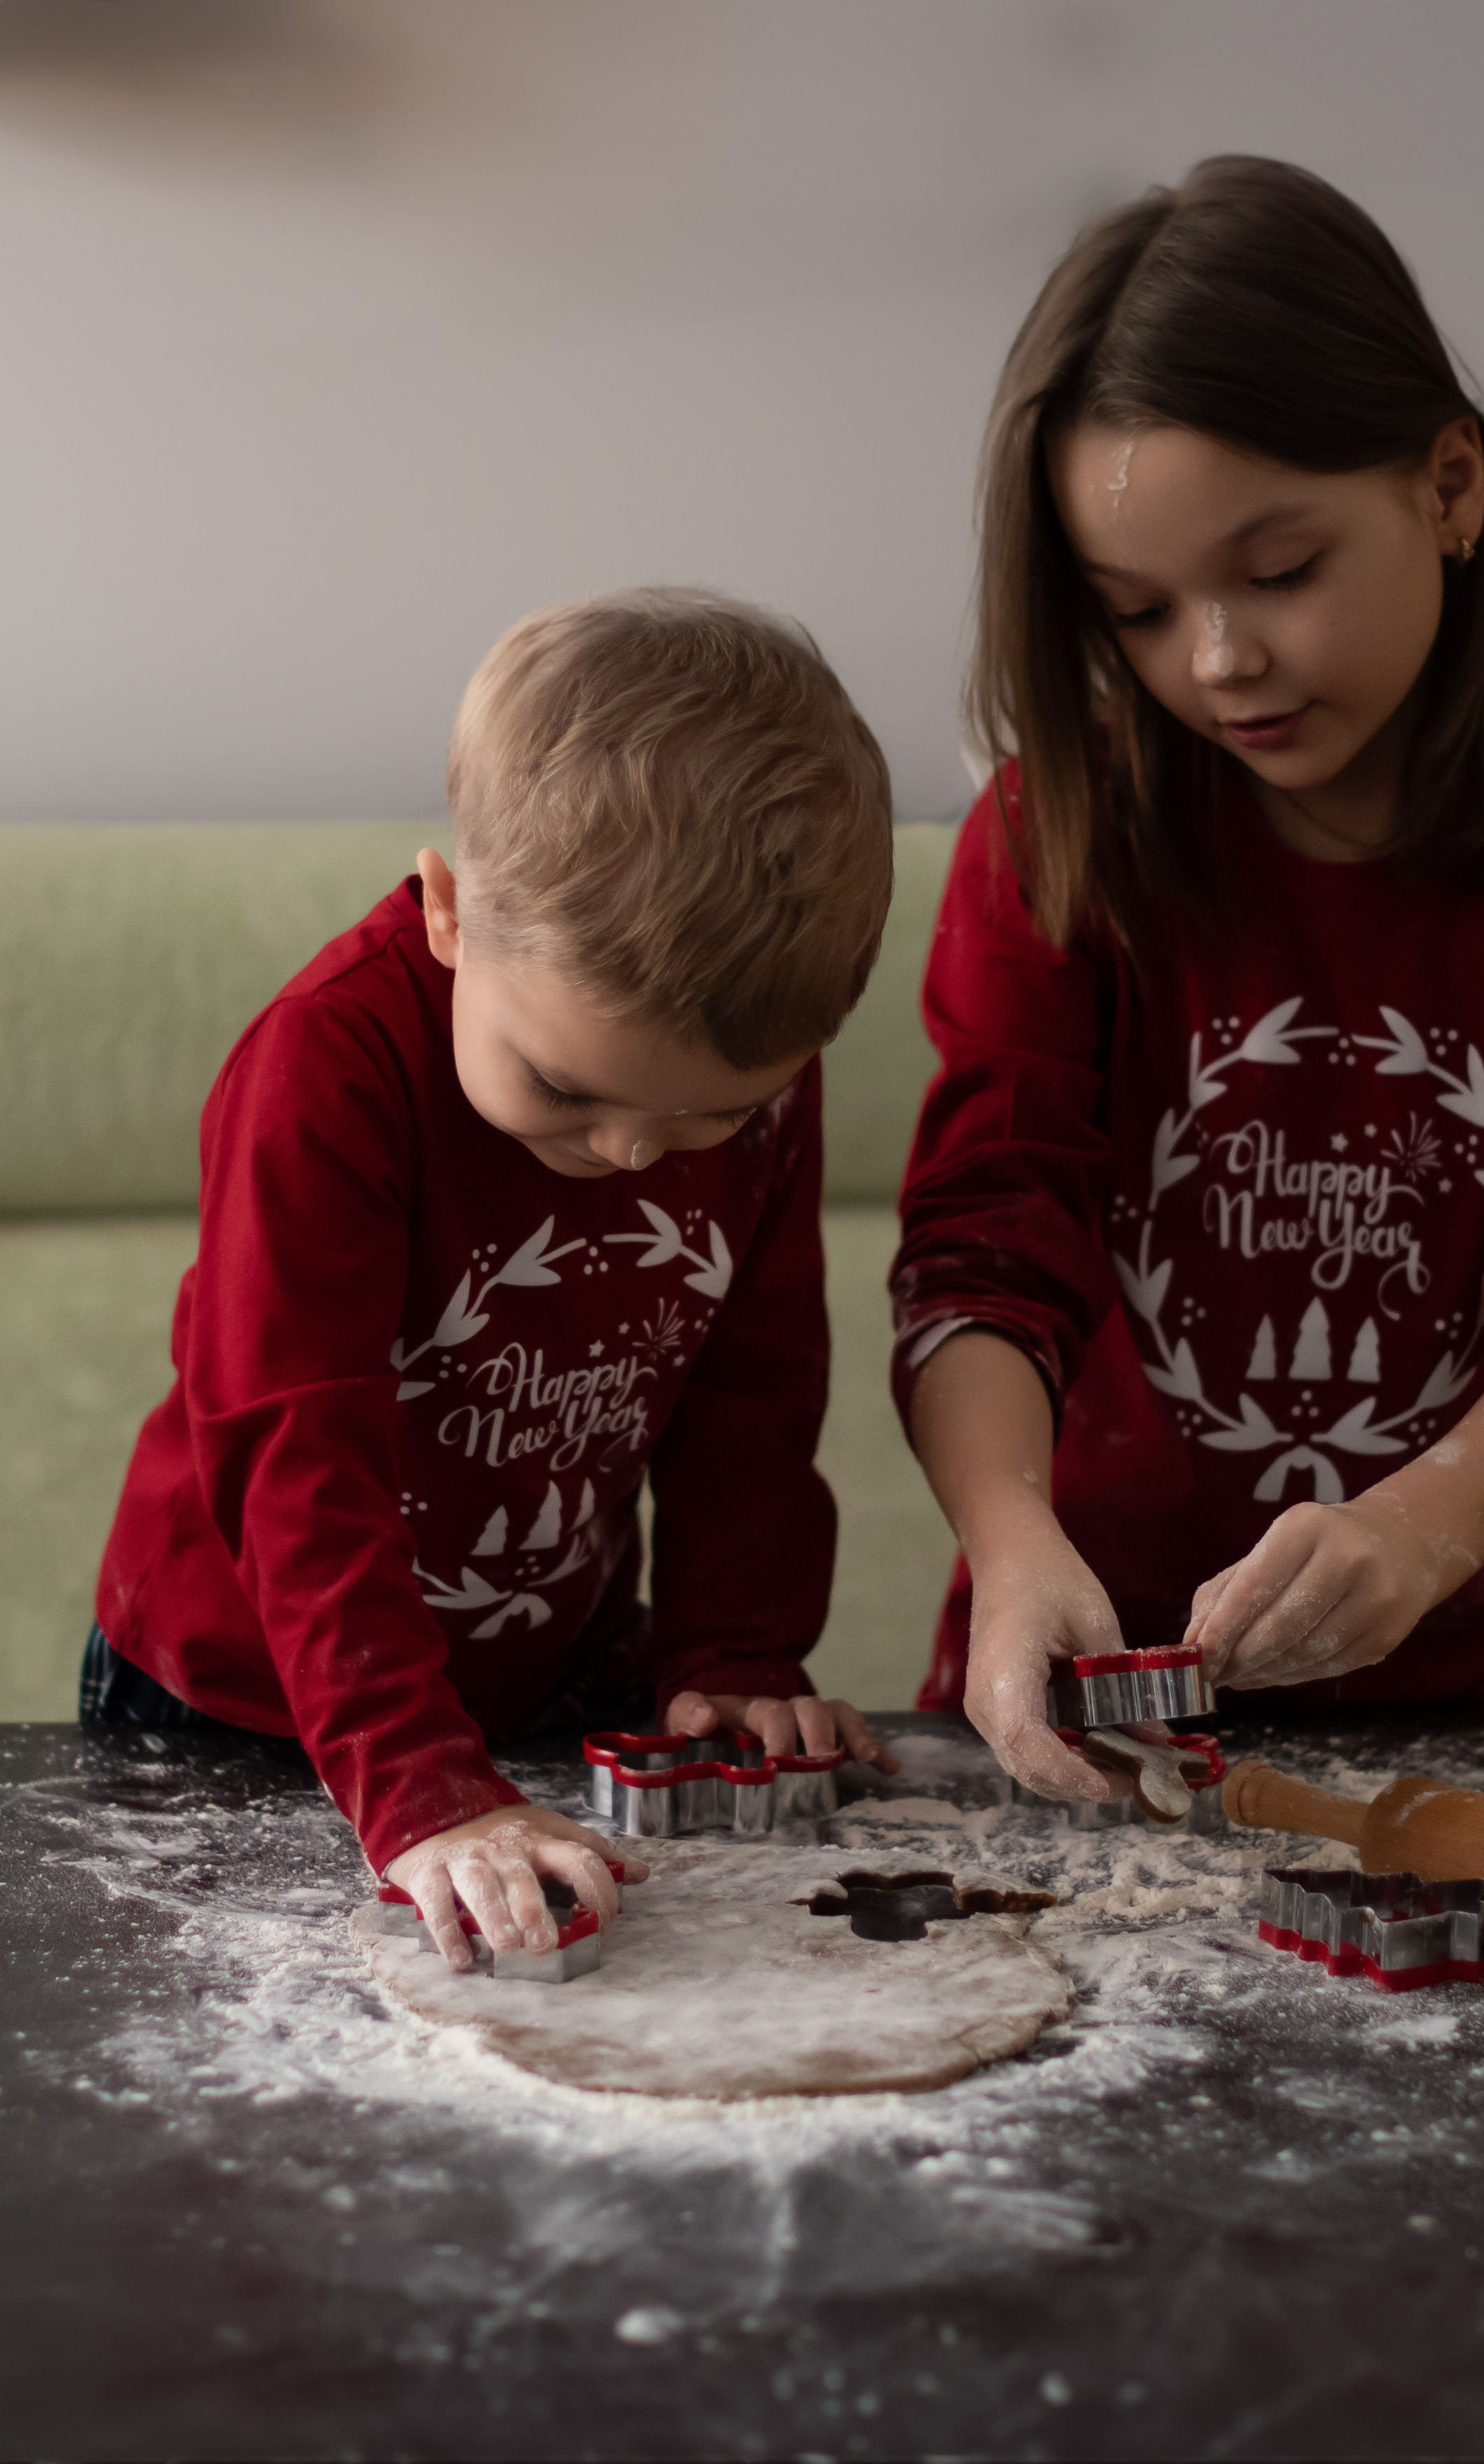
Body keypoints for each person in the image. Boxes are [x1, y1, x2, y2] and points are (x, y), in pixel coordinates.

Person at [892, 157, 1484, 1805]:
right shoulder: (1056, 832)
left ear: (1446, 487)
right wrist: (1008, 1541)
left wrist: (1419, 1530)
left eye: (1277, 572)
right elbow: (987, 1241)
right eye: (1136, 611)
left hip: (1460, 1726)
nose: (1217, 659)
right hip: (1067, 1716)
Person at [90, 590, 899, 1965]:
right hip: (247, 1707)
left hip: (544, 1684)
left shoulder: (748, 1077)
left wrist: (731, 1653)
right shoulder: (328, 1069)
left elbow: (751, 1389)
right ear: (450, 909)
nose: (636, 1150)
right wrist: (415, 1783)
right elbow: (296, 1449)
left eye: (707, 1117)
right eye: (567, 1088)